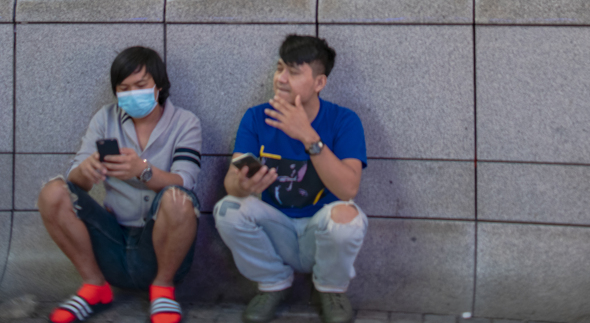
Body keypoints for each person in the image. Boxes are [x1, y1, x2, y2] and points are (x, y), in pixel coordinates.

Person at [38, 46, 202, 323]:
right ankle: (94, 286)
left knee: (178, 199)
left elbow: (186, 180)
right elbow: (74, 182)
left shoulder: (185, 122)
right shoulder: (105, 118)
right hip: (111, 241)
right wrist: (86, 171)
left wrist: (143, 171)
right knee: (52, 192)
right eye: (124, 88)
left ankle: (162, 289)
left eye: (140, 85)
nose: (132, 94)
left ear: (158, 86)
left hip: (160, 248)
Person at [214, 35, 367, 323]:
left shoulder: (344, 121)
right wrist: (242, 186)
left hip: (321, 229)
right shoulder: (257, 118)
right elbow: (231, 182)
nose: (281, 78)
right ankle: (272, 283)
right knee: (227, 209)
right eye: (279, 68)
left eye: (294, 72)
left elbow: (349, 188)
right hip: (277, 228)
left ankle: (331, 288)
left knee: (349, 217)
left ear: (319, 83)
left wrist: (308, 137)